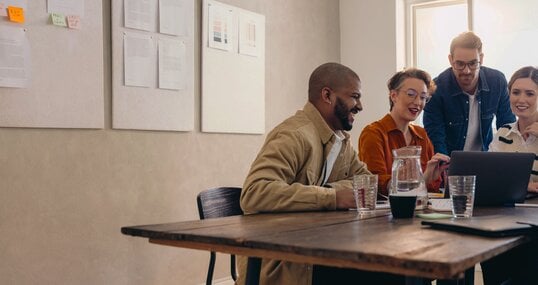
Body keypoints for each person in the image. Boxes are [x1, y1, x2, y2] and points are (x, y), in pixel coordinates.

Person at [238, 63, 403, 285]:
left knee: (398, 270)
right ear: (327, 95)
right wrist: (333, 197)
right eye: (354, 97)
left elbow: (368, 183)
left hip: (319, 249)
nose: (360, 106)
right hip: (286, 264)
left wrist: (331, 191)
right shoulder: (294, 135)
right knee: (392, 274)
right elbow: (254, 193)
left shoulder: (340, 139)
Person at [359, 68, 450, 198]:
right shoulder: (373, 133)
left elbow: (431, 188)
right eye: (411, 94)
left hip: (421, 208)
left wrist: (434, 176)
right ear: (393, 96)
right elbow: (376, 184)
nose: (418, 102)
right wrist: (422, 180)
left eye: (423, 97)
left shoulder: (421, 135)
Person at [423, 31, 516, 155]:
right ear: (451, 60)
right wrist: (444, 169)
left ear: (481, 59)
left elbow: (507, 128)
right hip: (450, 163)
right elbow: (436, 138)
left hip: (485, 159)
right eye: (460, 64)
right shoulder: (437, 89)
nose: (466, 71)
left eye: (472, 63)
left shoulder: (497, 81)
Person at [489, 66, 538, 193]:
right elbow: (490, 176)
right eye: (516, 92)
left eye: (530, 94)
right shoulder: (503, 133)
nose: (521, 100)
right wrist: (523, 185)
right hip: (509, 209)